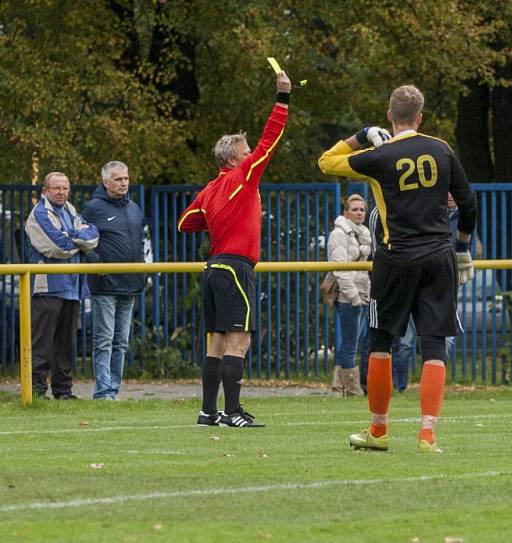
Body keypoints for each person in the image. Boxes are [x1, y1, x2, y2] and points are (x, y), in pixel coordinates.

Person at [319, 84, 477, 453]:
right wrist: (464, 248)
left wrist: (360, 136)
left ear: (390, 116)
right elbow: (468, 203)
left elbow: (326, 161)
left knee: (380, 343)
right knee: (434, 344)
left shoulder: (380, 154)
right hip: (439, 257)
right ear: (421, 117)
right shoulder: (442, 149)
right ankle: (427, 434)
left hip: (396, 257)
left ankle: (378, 430)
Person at [178, 70, 291, 428]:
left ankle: (208, 412)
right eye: (245, 153)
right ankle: (232, 412)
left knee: (217, 343)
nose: (251, 156)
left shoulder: (211, 189)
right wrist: (282, 98)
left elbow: (185, 223)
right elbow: (269, 141)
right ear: (233, 159)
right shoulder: (242, 179)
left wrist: (217, 220)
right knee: (238, 342)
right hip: (235, 268)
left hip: (213, 269)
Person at [368, 192, 461, 392]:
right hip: (399, 283)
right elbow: (378, 253)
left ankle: (391, 419)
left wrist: (462, 251)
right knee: (398, 342)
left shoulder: (438, 211)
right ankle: (400, 389)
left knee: (439, 342)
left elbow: (468, 207)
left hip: (434, 282)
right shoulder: (381, 212)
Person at [25, 172, 99, 399]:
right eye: (56, 188)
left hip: (72, 288)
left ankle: (63, 391)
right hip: (47, 287)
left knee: (66, 344)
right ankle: (36, 392)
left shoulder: (71, 210)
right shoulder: (39, 214)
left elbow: (93, 236)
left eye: (65, 188)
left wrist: (72, 236)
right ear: (45, 191)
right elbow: (58, 247)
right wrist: (78, 239)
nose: (61, 192)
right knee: (42, 342)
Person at [82, 161, 146, 400]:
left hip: (130, 283)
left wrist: (142, 274)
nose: (124, 183)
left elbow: (138, 243)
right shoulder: (93, 208)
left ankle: (114, 389)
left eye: (126, 179)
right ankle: (102, 392)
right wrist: (98, 265)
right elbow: (82, 240)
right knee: (104, 340)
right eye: (118, 179)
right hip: (105, 285)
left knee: (121, 342)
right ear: (106, 182)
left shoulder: (134, 208)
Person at [327, 193, 371, 396]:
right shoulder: (340, 233)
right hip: (349, 295)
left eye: (362, 209)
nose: (359, 213)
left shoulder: (363, 233)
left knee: (349, 342)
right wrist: (353, 296)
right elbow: (339, 269)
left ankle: (338, 388)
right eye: (354, 209)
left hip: (362, 292)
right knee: (350, 344)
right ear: (346, 212)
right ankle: (353, 389)